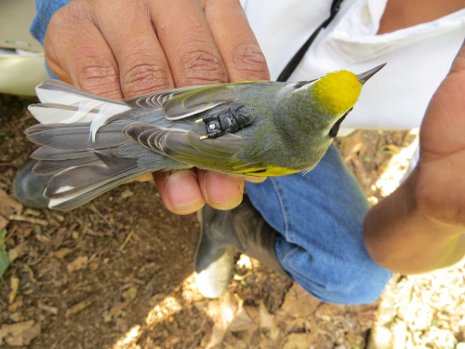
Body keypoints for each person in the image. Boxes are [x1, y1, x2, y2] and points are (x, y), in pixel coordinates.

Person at [17, 0, 465, 303]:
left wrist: (437, 211)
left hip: (209, 108)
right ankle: (91, 137)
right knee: (100, 57)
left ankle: (100, 139)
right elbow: (241, 158)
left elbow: (227, 122)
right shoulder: (298, 157)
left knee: (355, 276)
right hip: (168, 33)